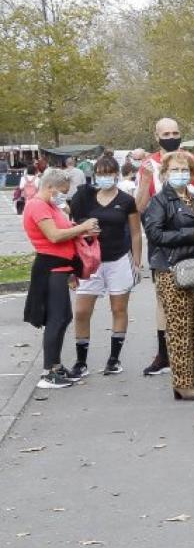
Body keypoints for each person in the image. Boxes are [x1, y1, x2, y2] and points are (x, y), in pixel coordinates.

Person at [141, 151, 194, 400]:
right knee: (180, 328)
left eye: (185, 170)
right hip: (172, 269)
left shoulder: (193, 199)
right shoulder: (159, 201)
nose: (181, 174)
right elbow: (155, 234)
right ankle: (182, 382)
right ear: (164, 173)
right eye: (175, 170)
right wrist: (191, 235)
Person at [21, 166, 98, 390]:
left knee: (63, 317)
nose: (63, 195)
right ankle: (49, 372)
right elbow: (54, 236)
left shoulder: (51, 206)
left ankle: (56, 364)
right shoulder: (37, 205)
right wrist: (81, 227)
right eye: (61, 190)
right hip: (50, 268)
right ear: (50, 187)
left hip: (61, 268)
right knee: (55, 319)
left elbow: (65, 231)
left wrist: (82, 231)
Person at [68, 155, 143, 376]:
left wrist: (136, 261)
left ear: (117, 175)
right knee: (82, 311)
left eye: (109, 173)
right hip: (90, 261)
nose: (105, 178)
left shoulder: (126, 200)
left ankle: (113, 359)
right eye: (100, 174)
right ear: (95, 175)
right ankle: (81, 362)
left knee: (118, 309)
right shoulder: (85, 196)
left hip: (118, 259)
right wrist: (84, 228)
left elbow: (136, 232)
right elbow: (72, 224)